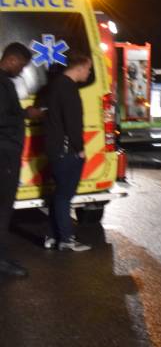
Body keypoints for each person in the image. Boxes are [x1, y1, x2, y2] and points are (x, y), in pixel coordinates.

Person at [44, 53, 93, 252]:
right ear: (79, 67)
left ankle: (52, 236)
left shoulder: (55, 86)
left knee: (59, 195)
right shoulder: (69, 89)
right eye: (88, 69)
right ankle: (66, 239)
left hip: (55, 149)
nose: (89, 73)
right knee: (65, 195)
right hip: (67, 151)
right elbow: (72, 123)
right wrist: (80, 149)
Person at [0, 43, 37, 276]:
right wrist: (26, 114)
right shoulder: (1, 83)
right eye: (21, 66)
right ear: (12, 60)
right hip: (3, 154)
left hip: (5, 152)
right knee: (3, 209)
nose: (22, 71)